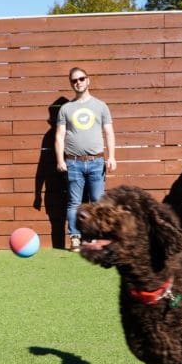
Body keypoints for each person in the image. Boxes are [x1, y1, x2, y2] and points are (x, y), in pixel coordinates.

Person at [54, 67, 117, 251]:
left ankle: (99, 239)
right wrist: (60, 160)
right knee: (74, 202)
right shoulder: (66, 109)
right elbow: (59, 136)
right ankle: (75, 238)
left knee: (98, 202)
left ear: (88, 80)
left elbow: (108, 132)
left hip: (97, 162)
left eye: (81, 79)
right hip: (73, 162)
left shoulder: (101, 106)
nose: (78, 82)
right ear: (71, 84)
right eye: (74, 80)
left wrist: (112, 157)